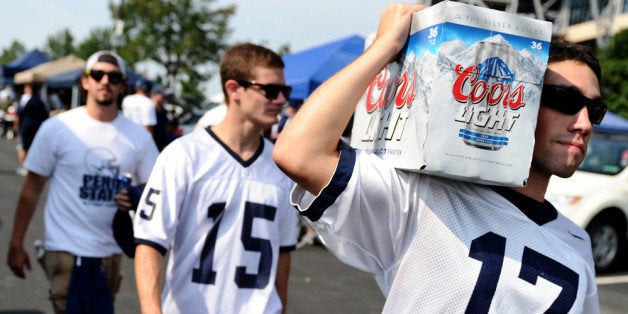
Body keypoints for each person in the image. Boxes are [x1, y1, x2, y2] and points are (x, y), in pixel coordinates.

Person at [273, 4, 603, 313]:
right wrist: (385, 45)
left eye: (595, 110)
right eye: (564, 100)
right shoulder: (421, 199)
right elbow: (299, 153)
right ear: (515, 97)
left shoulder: (577, 241)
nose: (584, 124)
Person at [133, 43, 299, 314]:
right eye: (270, 90)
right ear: (234, 89)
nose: (281, 100)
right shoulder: (184, 155)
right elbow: (150, 242)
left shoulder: (282, 165)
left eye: (285, 91)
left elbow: (283, 252)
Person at [7, 50, 159, 314]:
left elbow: (154, 191)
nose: (105, 82)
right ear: (85, 81)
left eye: (113, 77)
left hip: (109, 253)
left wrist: (133, 196)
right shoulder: (58, 128)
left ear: (122, 85)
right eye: (97, 75)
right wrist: (16, 242)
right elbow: (32, 187)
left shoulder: (138, 137)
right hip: (64, 249)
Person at [14, 82, 49, 176]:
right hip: (37, 127)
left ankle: (24, 167)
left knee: (23, 148)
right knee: (32, 148)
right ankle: (30, 167)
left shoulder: (24, 99)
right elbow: (45, 115)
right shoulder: (41, 100)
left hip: (25, 127)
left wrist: (16, 125)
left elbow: (18, 114)